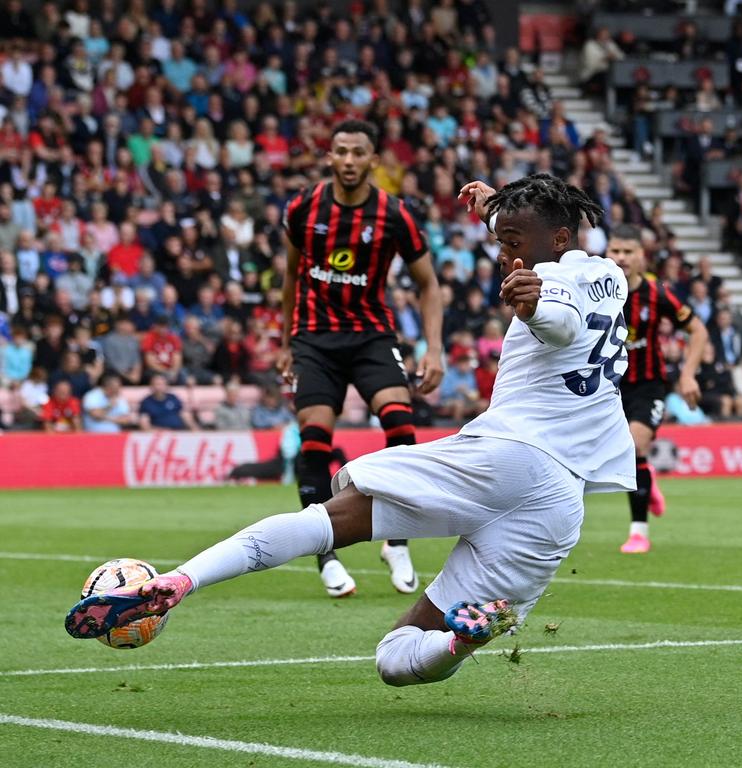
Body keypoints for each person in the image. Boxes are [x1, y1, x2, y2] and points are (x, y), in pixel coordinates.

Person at [65, 173, 635, 690]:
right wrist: (494, 209)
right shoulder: (607, 274)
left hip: (508, 457)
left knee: (330, 520)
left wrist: (533, 309)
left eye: (513, 241)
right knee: (397, 660)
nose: (505, 252)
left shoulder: (549, 281)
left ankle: (182, 581)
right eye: (500, 240)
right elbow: (549, 266)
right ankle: (464, 638)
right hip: (559, 502)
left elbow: (559, 320)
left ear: (558, 240)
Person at [276, 120, 444, 598]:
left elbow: (429, 284)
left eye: (358, 153)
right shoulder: (303, 208)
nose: (349, 161)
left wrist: (434, 348)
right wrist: (286, 341)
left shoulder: (395, 214)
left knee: (401, 426)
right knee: (314, 439)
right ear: (330, 156)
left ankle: (398, 540)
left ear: (374, 161)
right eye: (341, 152)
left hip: (371, 334)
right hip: (313, 337)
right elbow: (290, 276)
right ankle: (323, 553)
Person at [606, 225, 708, 554]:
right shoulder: (597, 291)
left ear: (640, 257)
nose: (620, 257)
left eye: (627, 252)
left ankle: (638, 533)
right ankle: (648, 484)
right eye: (615, 251)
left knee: (635, 446)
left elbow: (698, 330)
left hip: (648, 384)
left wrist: (688, 374)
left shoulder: (657, 294)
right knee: (620, 457)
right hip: (607, 385)